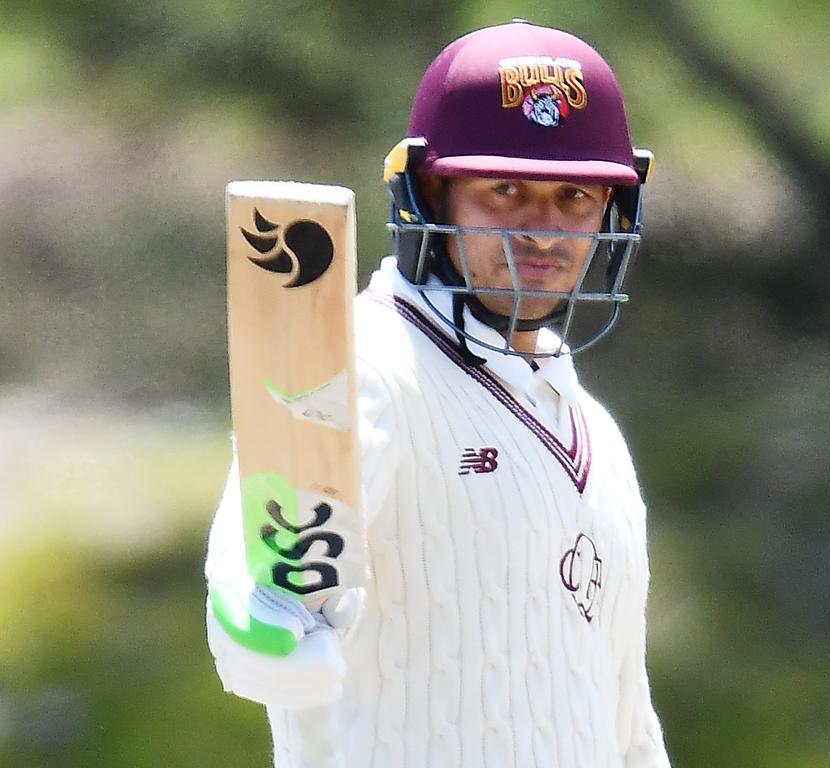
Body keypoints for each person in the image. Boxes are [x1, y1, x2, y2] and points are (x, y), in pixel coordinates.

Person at [205, 19, 670, 768]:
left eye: (576, 195)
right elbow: (255, 595)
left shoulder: (594, 431)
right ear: (430, 195)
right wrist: (264, 618)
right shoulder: (368, 366)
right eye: (505, 189)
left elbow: (621, 704)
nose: (543, 230)